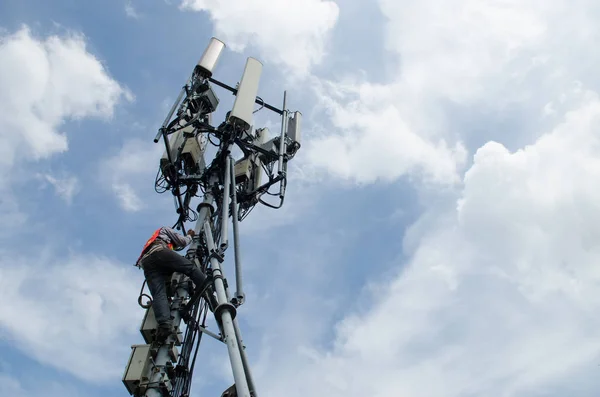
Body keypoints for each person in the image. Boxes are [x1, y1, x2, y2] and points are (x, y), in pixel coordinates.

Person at [136, 226, 211, 342]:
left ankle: (165, 325)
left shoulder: (151, 241)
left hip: (146, 263)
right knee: (190, 268)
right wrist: (189, 236)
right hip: (159, 252)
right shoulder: (164, 230)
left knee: (158, 293)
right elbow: (182, 241)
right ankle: (207, 289)